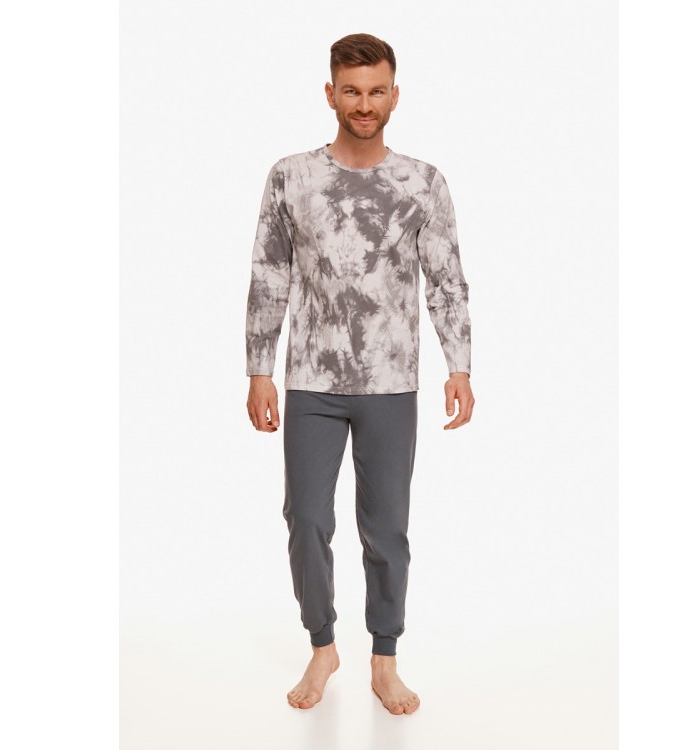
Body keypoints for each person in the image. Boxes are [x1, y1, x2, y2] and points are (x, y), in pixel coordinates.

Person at [245, 32, 474, 715]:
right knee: (307, 518)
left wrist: (459, 365)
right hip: (311, 378)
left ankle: (384, 657)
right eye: (352, 91)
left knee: (387, 528)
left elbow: (447, 281)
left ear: (394, 96)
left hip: (391, 383)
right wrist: (259, 369)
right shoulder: (291, 176)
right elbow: (268, 275)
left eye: (376, 92)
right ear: (330, 94)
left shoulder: (423, 182)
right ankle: (322, 645)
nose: (364, 104)